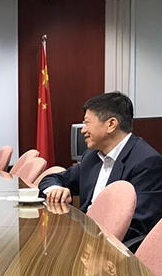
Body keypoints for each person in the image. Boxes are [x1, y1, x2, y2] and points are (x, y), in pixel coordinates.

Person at [39, 92, 162, 242]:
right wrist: (55, 190)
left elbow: (137, 225)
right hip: (83, 237)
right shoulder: (91, 157)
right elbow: (53, 179)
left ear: (111, 124)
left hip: (111, 248)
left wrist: (90, 239)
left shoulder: (147, 162)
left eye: (87, 123)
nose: (83, 130)